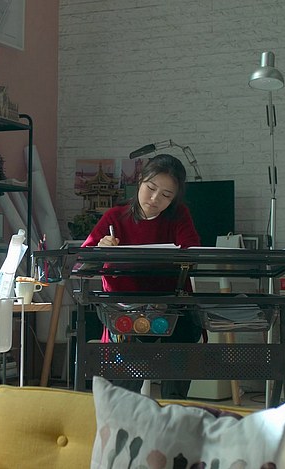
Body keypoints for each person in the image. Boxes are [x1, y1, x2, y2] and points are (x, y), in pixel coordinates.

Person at [81, 153, 203, 399]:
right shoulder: (115, 217)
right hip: (125, 308)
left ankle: (173, 409)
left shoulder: (179, 215)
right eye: (151, 188)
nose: (155, 198)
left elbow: (192, 253)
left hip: (169, 306)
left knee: (183, 336)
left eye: (166, 195)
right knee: (123, 384)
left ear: (174, 198)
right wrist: (101, 249)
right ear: (140, 182)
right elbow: (82, 262)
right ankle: (124, 411)